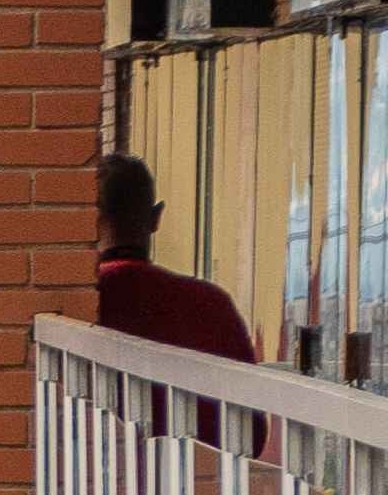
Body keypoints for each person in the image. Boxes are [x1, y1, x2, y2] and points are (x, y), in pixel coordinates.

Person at [88, 147, 265, 362]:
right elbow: (244, 388)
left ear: (86, 221)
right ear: (156, 217)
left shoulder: (83, 306)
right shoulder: (212, 305)